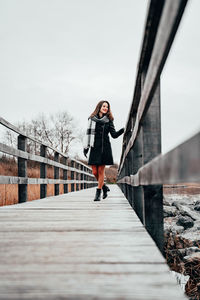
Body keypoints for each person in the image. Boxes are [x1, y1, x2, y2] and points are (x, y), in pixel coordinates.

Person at [83, 100, 124, 201]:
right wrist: (86, 147)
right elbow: (87, 134)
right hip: (94, 147)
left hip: (104, 148)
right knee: (94, 172)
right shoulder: (91, 119)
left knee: (101, 171)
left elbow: (114, 135)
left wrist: (123, 130)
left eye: (107, 107)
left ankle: (98, 193)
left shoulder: (109, 120)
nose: (105, 108)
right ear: (99, 107)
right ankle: (105, 187)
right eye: (104, 106)